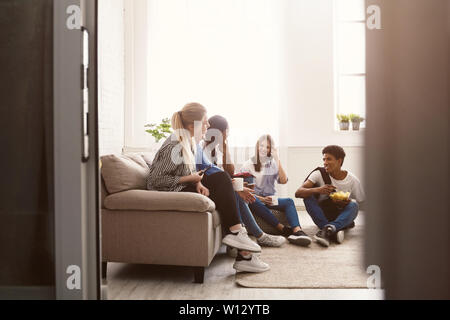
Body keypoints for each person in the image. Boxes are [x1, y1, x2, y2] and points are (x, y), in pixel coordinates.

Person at [147, 103, 269, 273]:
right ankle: (239, 238)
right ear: (192, 125)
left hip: (181, 188)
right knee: (222, 179)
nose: (208, 125)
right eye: (205, 122)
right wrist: (191, 179)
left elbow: (192, 170)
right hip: (168, 193)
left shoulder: (188, 142)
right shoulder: (174, 144)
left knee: (222, 179)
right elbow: (155, 180)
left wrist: (197, 182)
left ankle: (243, 251)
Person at [201, 115, 286, 249]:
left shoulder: (213, 150)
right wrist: (235, 186)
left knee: (240, 187)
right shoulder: (202, 148)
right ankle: (259, 235)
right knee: (237, 192)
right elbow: (214, 177)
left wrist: (225, 148)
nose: (228, 134)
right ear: (221, 131)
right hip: (206, 190)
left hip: (216, 187)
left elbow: (228, 173)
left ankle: (246, 235)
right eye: (227, 131)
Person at [239, 135, 312, 247]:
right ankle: (281, 228)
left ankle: (297, 231)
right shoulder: (248, 165)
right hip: (256, 200)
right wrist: (262, 199)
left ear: (270, 150)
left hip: (270, 200)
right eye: (262, 146)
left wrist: (277, 158)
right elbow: (246, 192)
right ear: (257, 146)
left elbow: (283, 180)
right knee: (252, 199)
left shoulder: (272, 163)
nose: (264, 149)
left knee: (289, 201)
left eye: (267, 147)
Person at [295, 145, 365, 247]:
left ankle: (328, 230)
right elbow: (298, 193)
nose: (325, 162)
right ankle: (332, 229)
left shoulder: (352, 180)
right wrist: (318, 190)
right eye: (324, 159)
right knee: (308, 196)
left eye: (329, 159)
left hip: (341, 214)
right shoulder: (319, 174)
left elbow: (362, 203)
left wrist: (346, 203)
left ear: (339, 161)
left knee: (354, 205)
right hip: (322, 214)